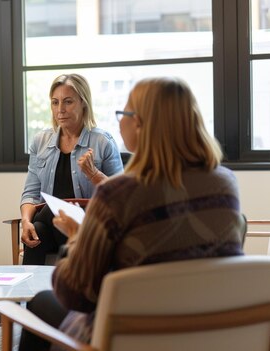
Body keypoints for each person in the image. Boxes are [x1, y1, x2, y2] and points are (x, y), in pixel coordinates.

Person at [19, 77, 246, 350]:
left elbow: (76, 294)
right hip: (206, 330)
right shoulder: (225, 185)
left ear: (139, 123)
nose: (120, 121)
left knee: (41, 302)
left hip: (131, 331)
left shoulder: (118, 192)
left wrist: (79, 237)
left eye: (123, 114)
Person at [20, 73, 123, 265]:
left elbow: (121, 197)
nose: (60, 110)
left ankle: (41, 293)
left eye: (68, 102)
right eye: (55, 102)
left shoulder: (102, 142)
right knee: (38, 229)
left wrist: (94, 173)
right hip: (51, 224)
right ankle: (31, 294)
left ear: (83, 103)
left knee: (50, 215)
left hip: (88, 224)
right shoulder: (40, 141)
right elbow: (31, 194)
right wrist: (25, 222)